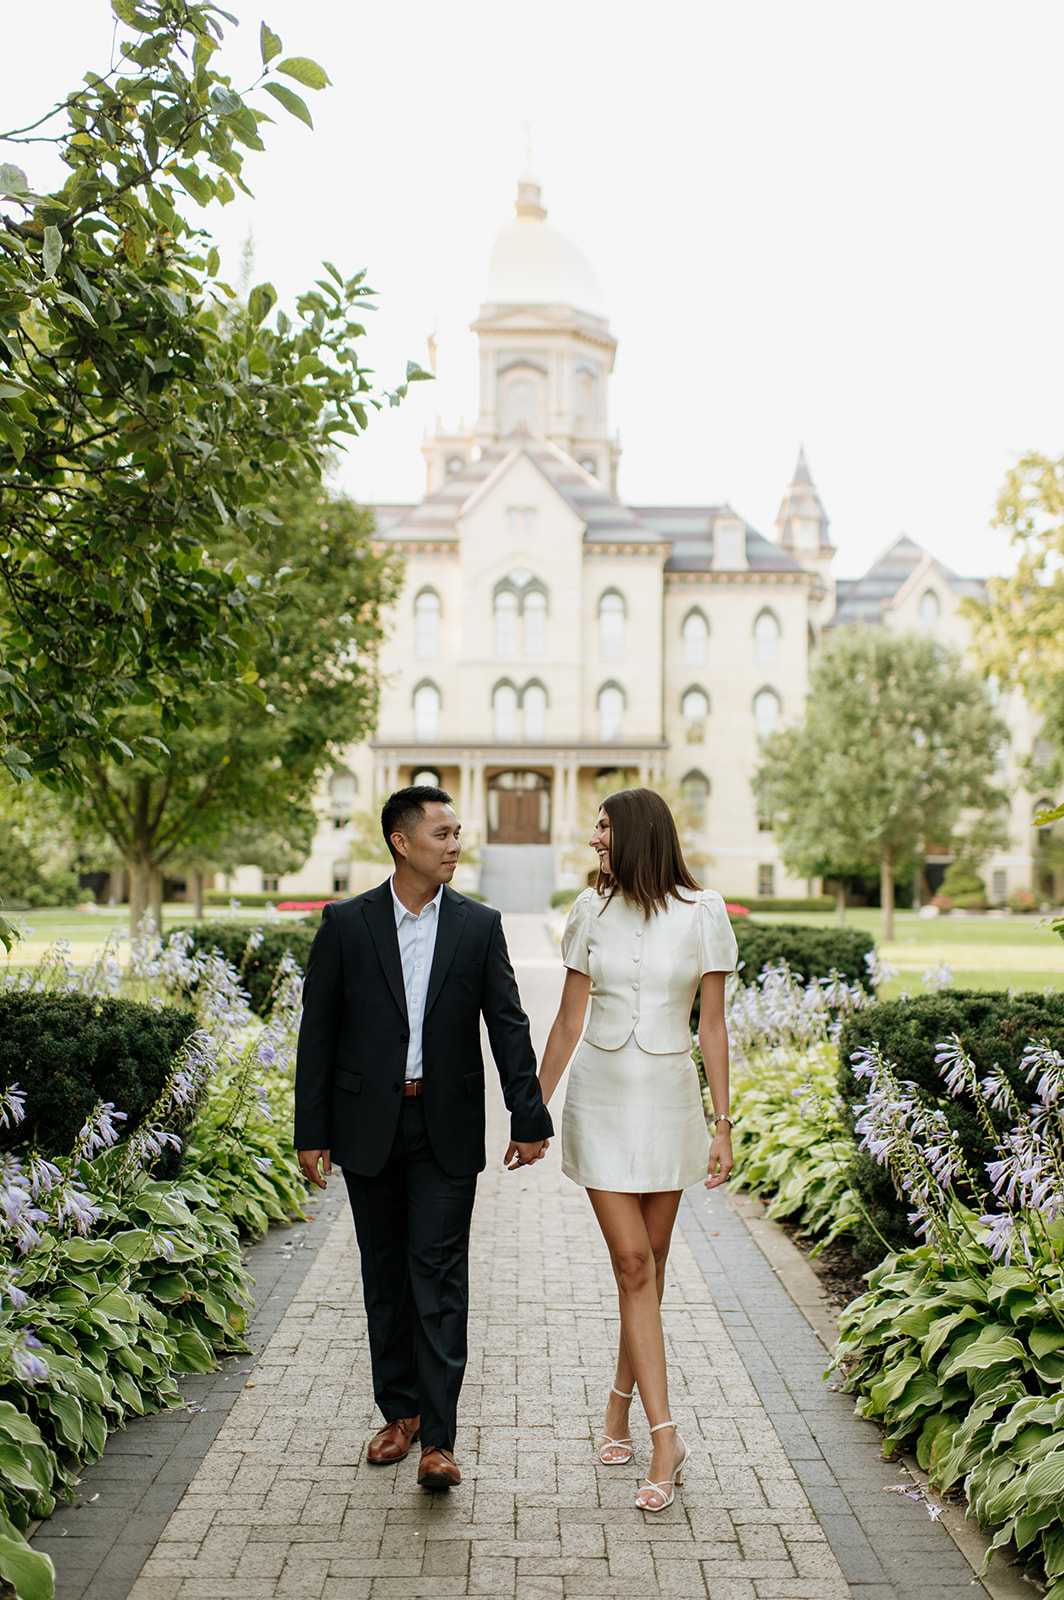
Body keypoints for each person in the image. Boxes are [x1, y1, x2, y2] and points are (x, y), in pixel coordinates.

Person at [295, 785, 553, 1490]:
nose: (454, 844)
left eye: (457, 832)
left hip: (445, 1128)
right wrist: (309, 1132)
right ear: (402, 843)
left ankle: (439, 1440)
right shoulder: (347, 924)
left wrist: (529, 1118)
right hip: (367, 1128)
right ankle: (399, 1414)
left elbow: (508, 1024)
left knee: (437, 1278)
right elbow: (317, 1034)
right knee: (385, 1280)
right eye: (441, 834)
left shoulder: (478, 924)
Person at [530, 787, 737, 1513]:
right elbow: (565, 1022)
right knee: (632, 1265)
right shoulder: (589, 912)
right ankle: (664, 1438)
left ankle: (618, 1402)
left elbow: (711, 1026)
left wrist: (723, 1122)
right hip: (602, 1101)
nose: (594, 838)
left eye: (606, 826)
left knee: (645, 1270)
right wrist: (532, 1110)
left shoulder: (704, 914)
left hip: (671, 1104)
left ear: (639, 834)